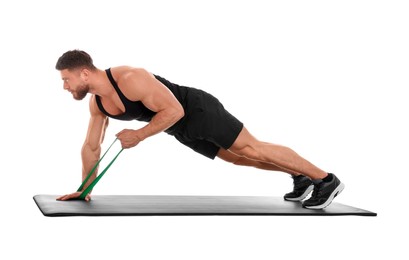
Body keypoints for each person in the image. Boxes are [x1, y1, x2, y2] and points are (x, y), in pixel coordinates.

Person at [55, 50, 344, 209]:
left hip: (194, 109)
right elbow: (91, 146)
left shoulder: (130, 77)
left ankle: (325, 179)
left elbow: (175, 110)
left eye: (66, 80)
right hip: (176, 128)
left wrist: (139, 135)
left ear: (84, 73)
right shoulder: (98, 104)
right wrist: (85, 188)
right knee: (237, 158)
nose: (65, 86)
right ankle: (300, 175)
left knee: (250, 147)